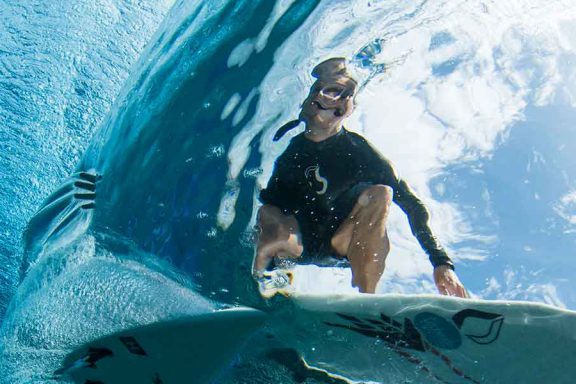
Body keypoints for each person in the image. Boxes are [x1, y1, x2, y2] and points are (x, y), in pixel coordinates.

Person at [253, 57, 468, 297]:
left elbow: (411, 203)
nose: (332, 99)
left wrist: (441, 263)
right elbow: (269, 210)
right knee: (268, 212)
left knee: (381, 193)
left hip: (342, 242)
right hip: (297, 243)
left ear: (348, 109)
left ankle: (368, 299)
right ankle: (265, 280)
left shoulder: (358, 150)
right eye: (325, 92)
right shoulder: (292, 153)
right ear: (309, 103)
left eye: (342, 95)